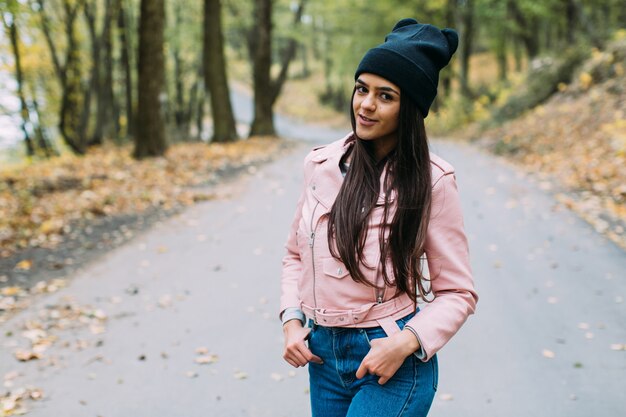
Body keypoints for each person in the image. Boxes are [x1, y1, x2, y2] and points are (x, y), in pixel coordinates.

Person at [279, 18, 478, 417]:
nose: (366, 105)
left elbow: (458, 293)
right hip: (323, 361)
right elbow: (295, 256)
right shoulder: (320, 165)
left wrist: (404, 344)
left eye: (385, 96)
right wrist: (291, 321)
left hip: (391, 359)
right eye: (361, 89)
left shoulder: (432, 182)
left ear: (410, 108)